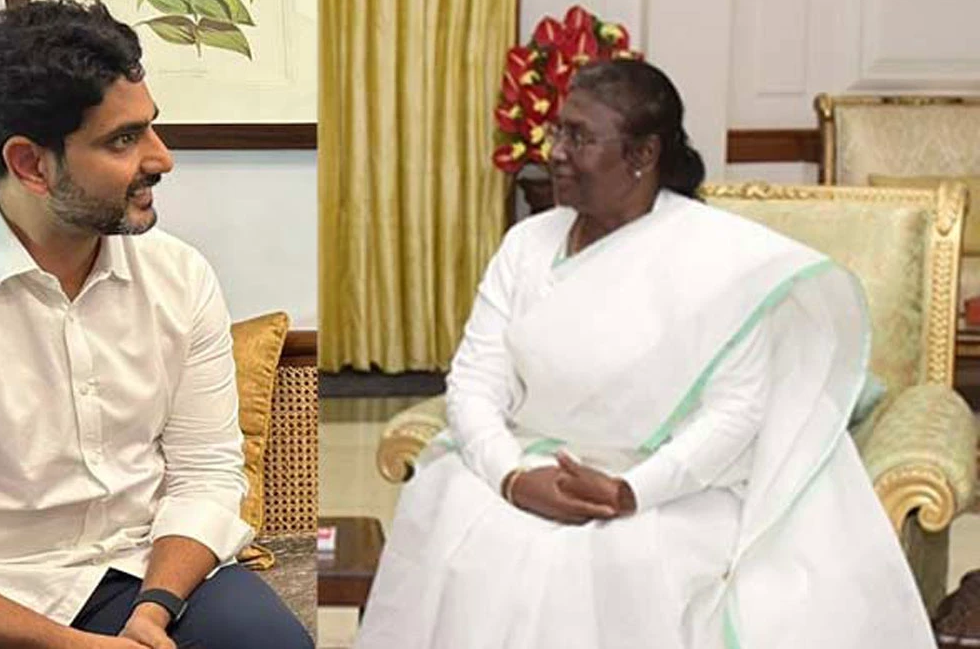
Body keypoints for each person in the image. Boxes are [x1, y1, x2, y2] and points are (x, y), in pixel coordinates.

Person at [354, 59, 935, 648]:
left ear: (643, 154)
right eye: (558, 131)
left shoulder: (718, 260)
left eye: (580, 137)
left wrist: (631, 492)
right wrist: (512, 478)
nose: (556, 152)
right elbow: (473, 382)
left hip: (667, 489)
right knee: (460, 519)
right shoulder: (526, 244)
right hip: (527, 464)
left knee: (614, 561)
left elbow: (735, 414)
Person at [0, 0, 312, 649]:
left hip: (138, 570)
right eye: (123, 139)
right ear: (30, 164)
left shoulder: (180, 276)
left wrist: (154, 610)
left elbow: (206, 475)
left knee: (266, 639)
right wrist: (67, 645)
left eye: (150, 127)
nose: (161, 158)